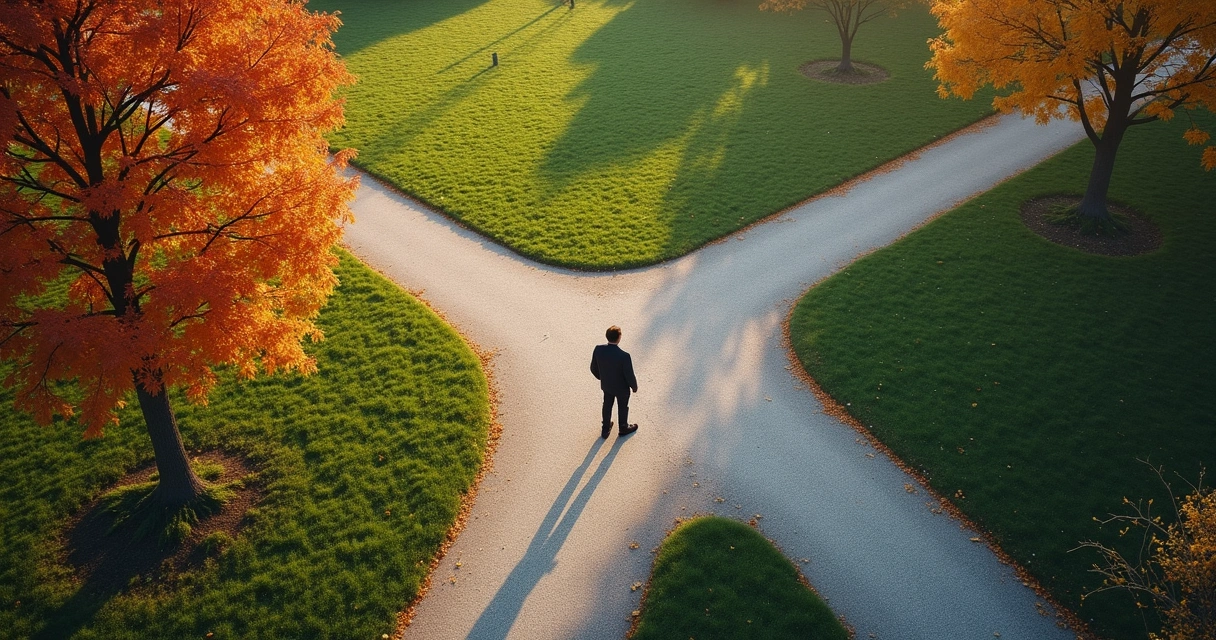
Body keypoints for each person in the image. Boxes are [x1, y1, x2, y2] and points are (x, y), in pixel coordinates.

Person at [590, 325, 638, 439]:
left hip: (606, 385)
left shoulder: (598, 349)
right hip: (622, 388)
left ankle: (605, 428)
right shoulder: (624, 356)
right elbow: (629, 374)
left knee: (607, 404)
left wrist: (602, 378)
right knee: (623, 407)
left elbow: (593, 368)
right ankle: (623, 427)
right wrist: (634, 386)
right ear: (619, 338)